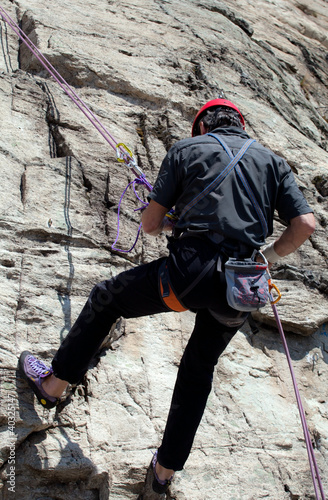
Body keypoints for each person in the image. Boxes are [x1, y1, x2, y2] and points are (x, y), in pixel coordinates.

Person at [19, 98, 315, 497]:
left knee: (108, 298)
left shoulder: (187, 150)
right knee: (199, 368)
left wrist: (174, 219)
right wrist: (269, 257)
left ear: (203, 127)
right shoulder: (274, 162)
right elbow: (305, 224)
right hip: (243, 286)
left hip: (189, 275)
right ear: (241, 125)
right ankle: (163, 472)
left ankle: (53, 384)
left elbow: (151, 224)